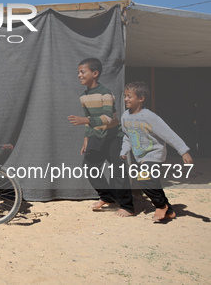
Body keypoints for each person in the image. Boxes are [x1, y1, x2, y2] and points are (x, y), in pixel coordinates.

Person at [68, 58, 134, 217]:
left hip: (113, 138)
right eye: (78, 72)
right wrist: (86, 139)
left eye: (83, 72)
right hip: (96, 138)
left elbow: (108, 118)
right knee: (89, 167)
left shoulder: (106, 93)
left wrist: (85, 120)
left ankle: (127, 207)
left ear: (95, 73)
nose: (79, 75)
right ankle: (107, 197)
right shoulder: (83, 96)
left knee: (118, 172)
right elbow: (88, 120)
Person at [120, 81, 193, 221]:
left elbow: (168, 134)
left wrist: (183, 151)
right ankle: (169, 210)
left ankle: (160, 206)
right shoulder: (125, 117)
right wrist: (124, 151)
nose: (126, 99)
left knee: (145, 179)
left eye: (130, 96)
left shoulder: (150, 117)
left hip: (154, 154)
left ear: (141, 99)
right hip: (139, 156)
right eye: (125, 96)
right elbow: (127, 136)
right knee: (152, 182)